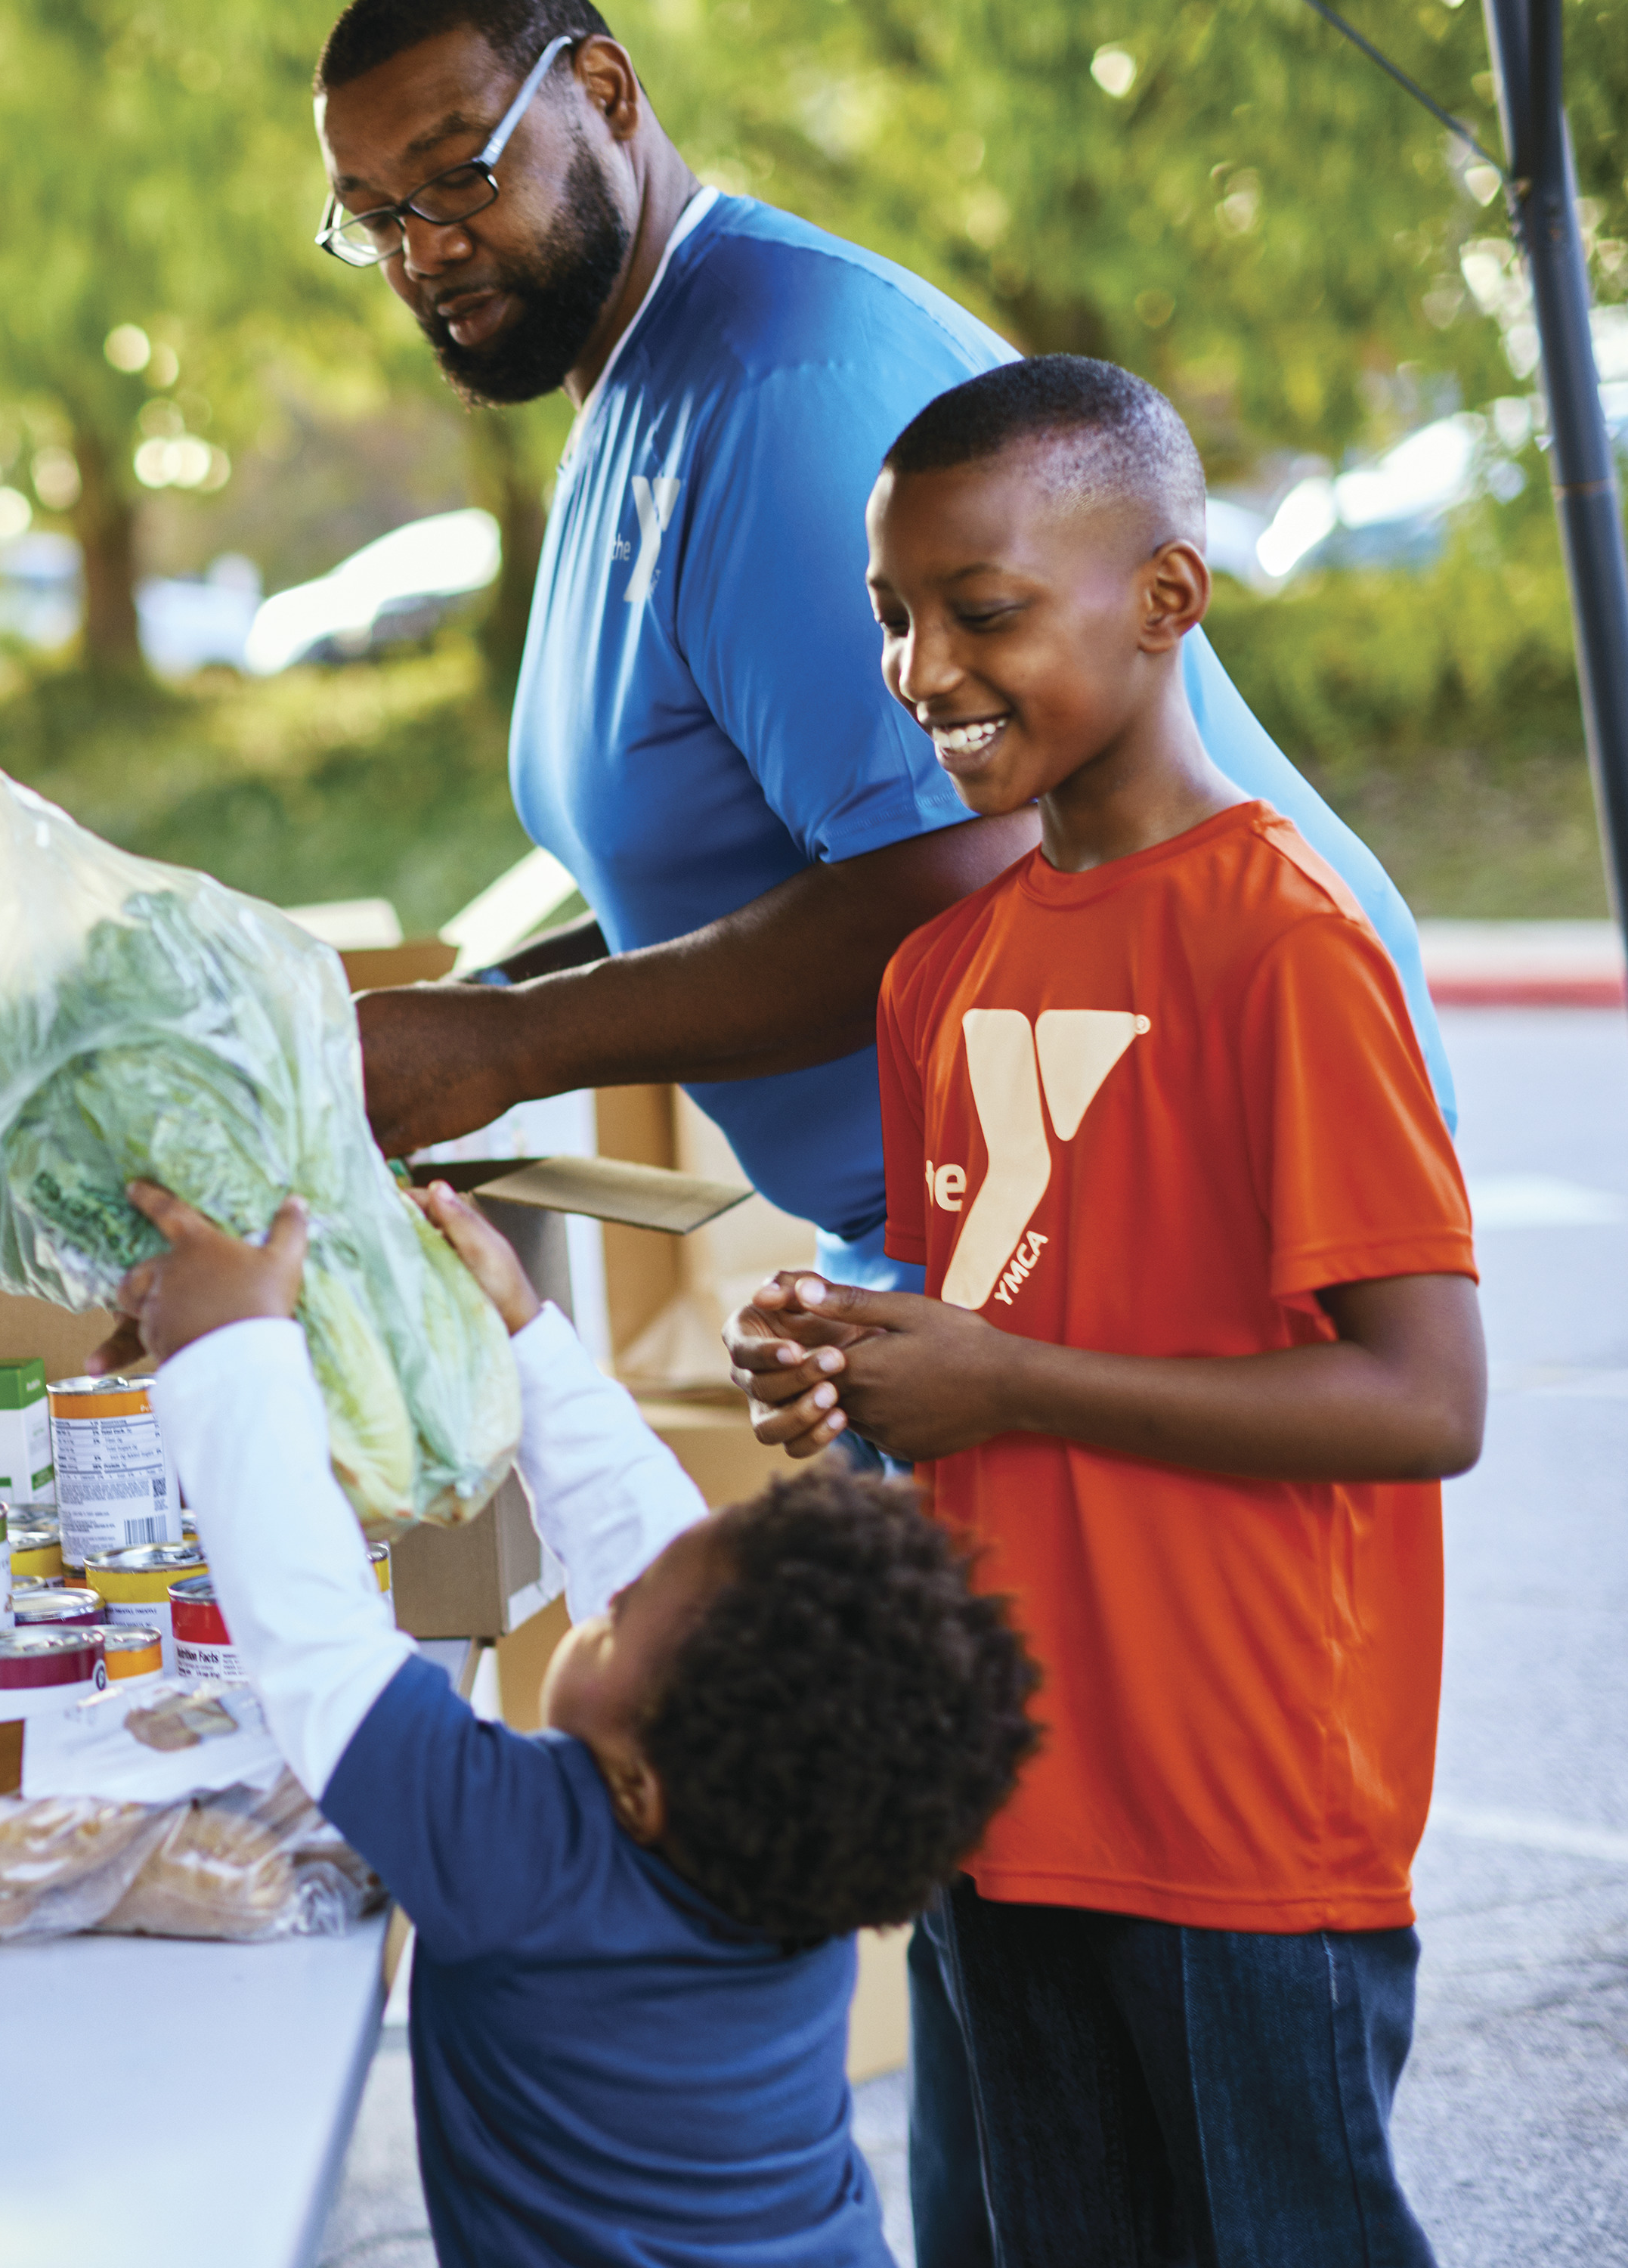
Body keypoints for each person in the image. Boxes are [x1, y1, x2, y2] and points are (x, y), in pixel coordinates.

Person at [299, 8, 1451, 2242]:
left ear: (602, 91)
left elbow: (952, 864)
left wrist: (509, 1052)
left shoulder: (795, 384)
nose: (428, 245)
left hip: (1210, 1650)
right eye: (376, 220)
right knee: (1022, 2166)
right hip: (1027, 1590)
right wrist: (869, 1342)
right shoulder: (637, 404)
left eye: (457, 171)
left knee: (1232, 2162)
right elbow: (872, 970)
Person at [733, 358, 1483, 2265]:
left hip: (1241, 1818)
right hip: (1007, 1784)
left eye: (983, 612)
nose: (920, 673)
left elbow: (1420, 1400)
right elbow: (990, 1315)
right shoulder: (941, 974)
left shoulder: (1288, 946)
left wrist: (1009, 1378)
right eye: (893, 616)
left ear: (1167, 601)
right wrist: (859, 1368)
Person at [107, 1176, 1038, 2267]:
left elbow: (315, 1640)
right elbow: (648, 1542)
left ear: (639, 1788)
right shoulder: (805, 1853)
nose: (606, 1600)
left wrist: (230, 1352)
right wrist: (522, 1333)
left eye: (616, 1620)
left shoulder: (531, 1862)